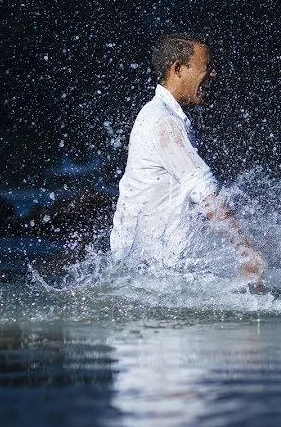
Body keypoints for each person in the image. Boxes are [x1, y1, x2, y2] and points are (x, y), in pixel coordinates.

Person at [110, 33, 265, 282]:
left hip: (149, 274)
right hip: (153, 278)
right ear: (178, 69)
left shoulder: (160, 115)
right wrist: (247, 253)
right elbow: (205, 193)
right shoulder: (164, 122)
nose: (214, 75)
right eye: (207, 67)